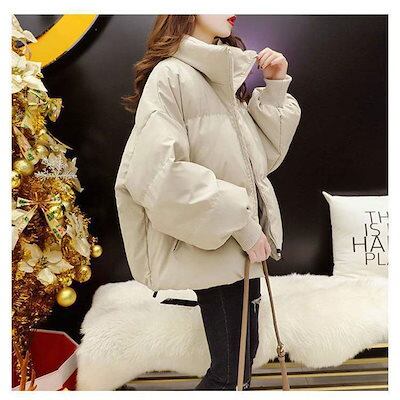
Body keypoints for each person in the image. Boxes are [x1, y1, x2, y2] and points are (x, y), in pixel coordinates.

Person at [115, 15, 301, 390]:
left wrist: (275, 86)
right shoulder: (171, 75)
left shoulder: (220, 76)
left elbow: (259, 160)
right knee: (229, 375)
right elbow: (158, 176)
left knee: (238, 369)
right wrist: (244, 226)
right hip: (214, 246)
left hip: (236, 250)